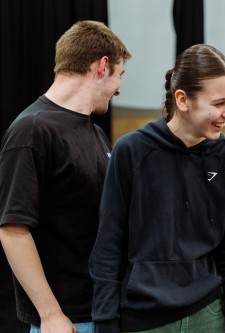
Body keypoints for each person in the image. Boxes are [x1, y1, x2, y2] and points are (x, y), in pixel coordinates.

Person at [89, 44, 225, 333]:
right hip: (142, 318)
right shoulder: (131, 152)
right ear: (183, 99)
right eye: (219, 103)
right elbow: (108, 245)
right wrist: (105, 321)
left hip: (209, 314)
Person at [0, 20, 131, 333]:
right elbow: (13, 230)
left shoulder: (96, 133)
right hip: (68, 321)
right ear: (102, 66)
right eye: (119, 75)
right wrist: (50, 314)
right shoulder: (31, 130)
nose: (120, 89)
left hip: (103, 310)